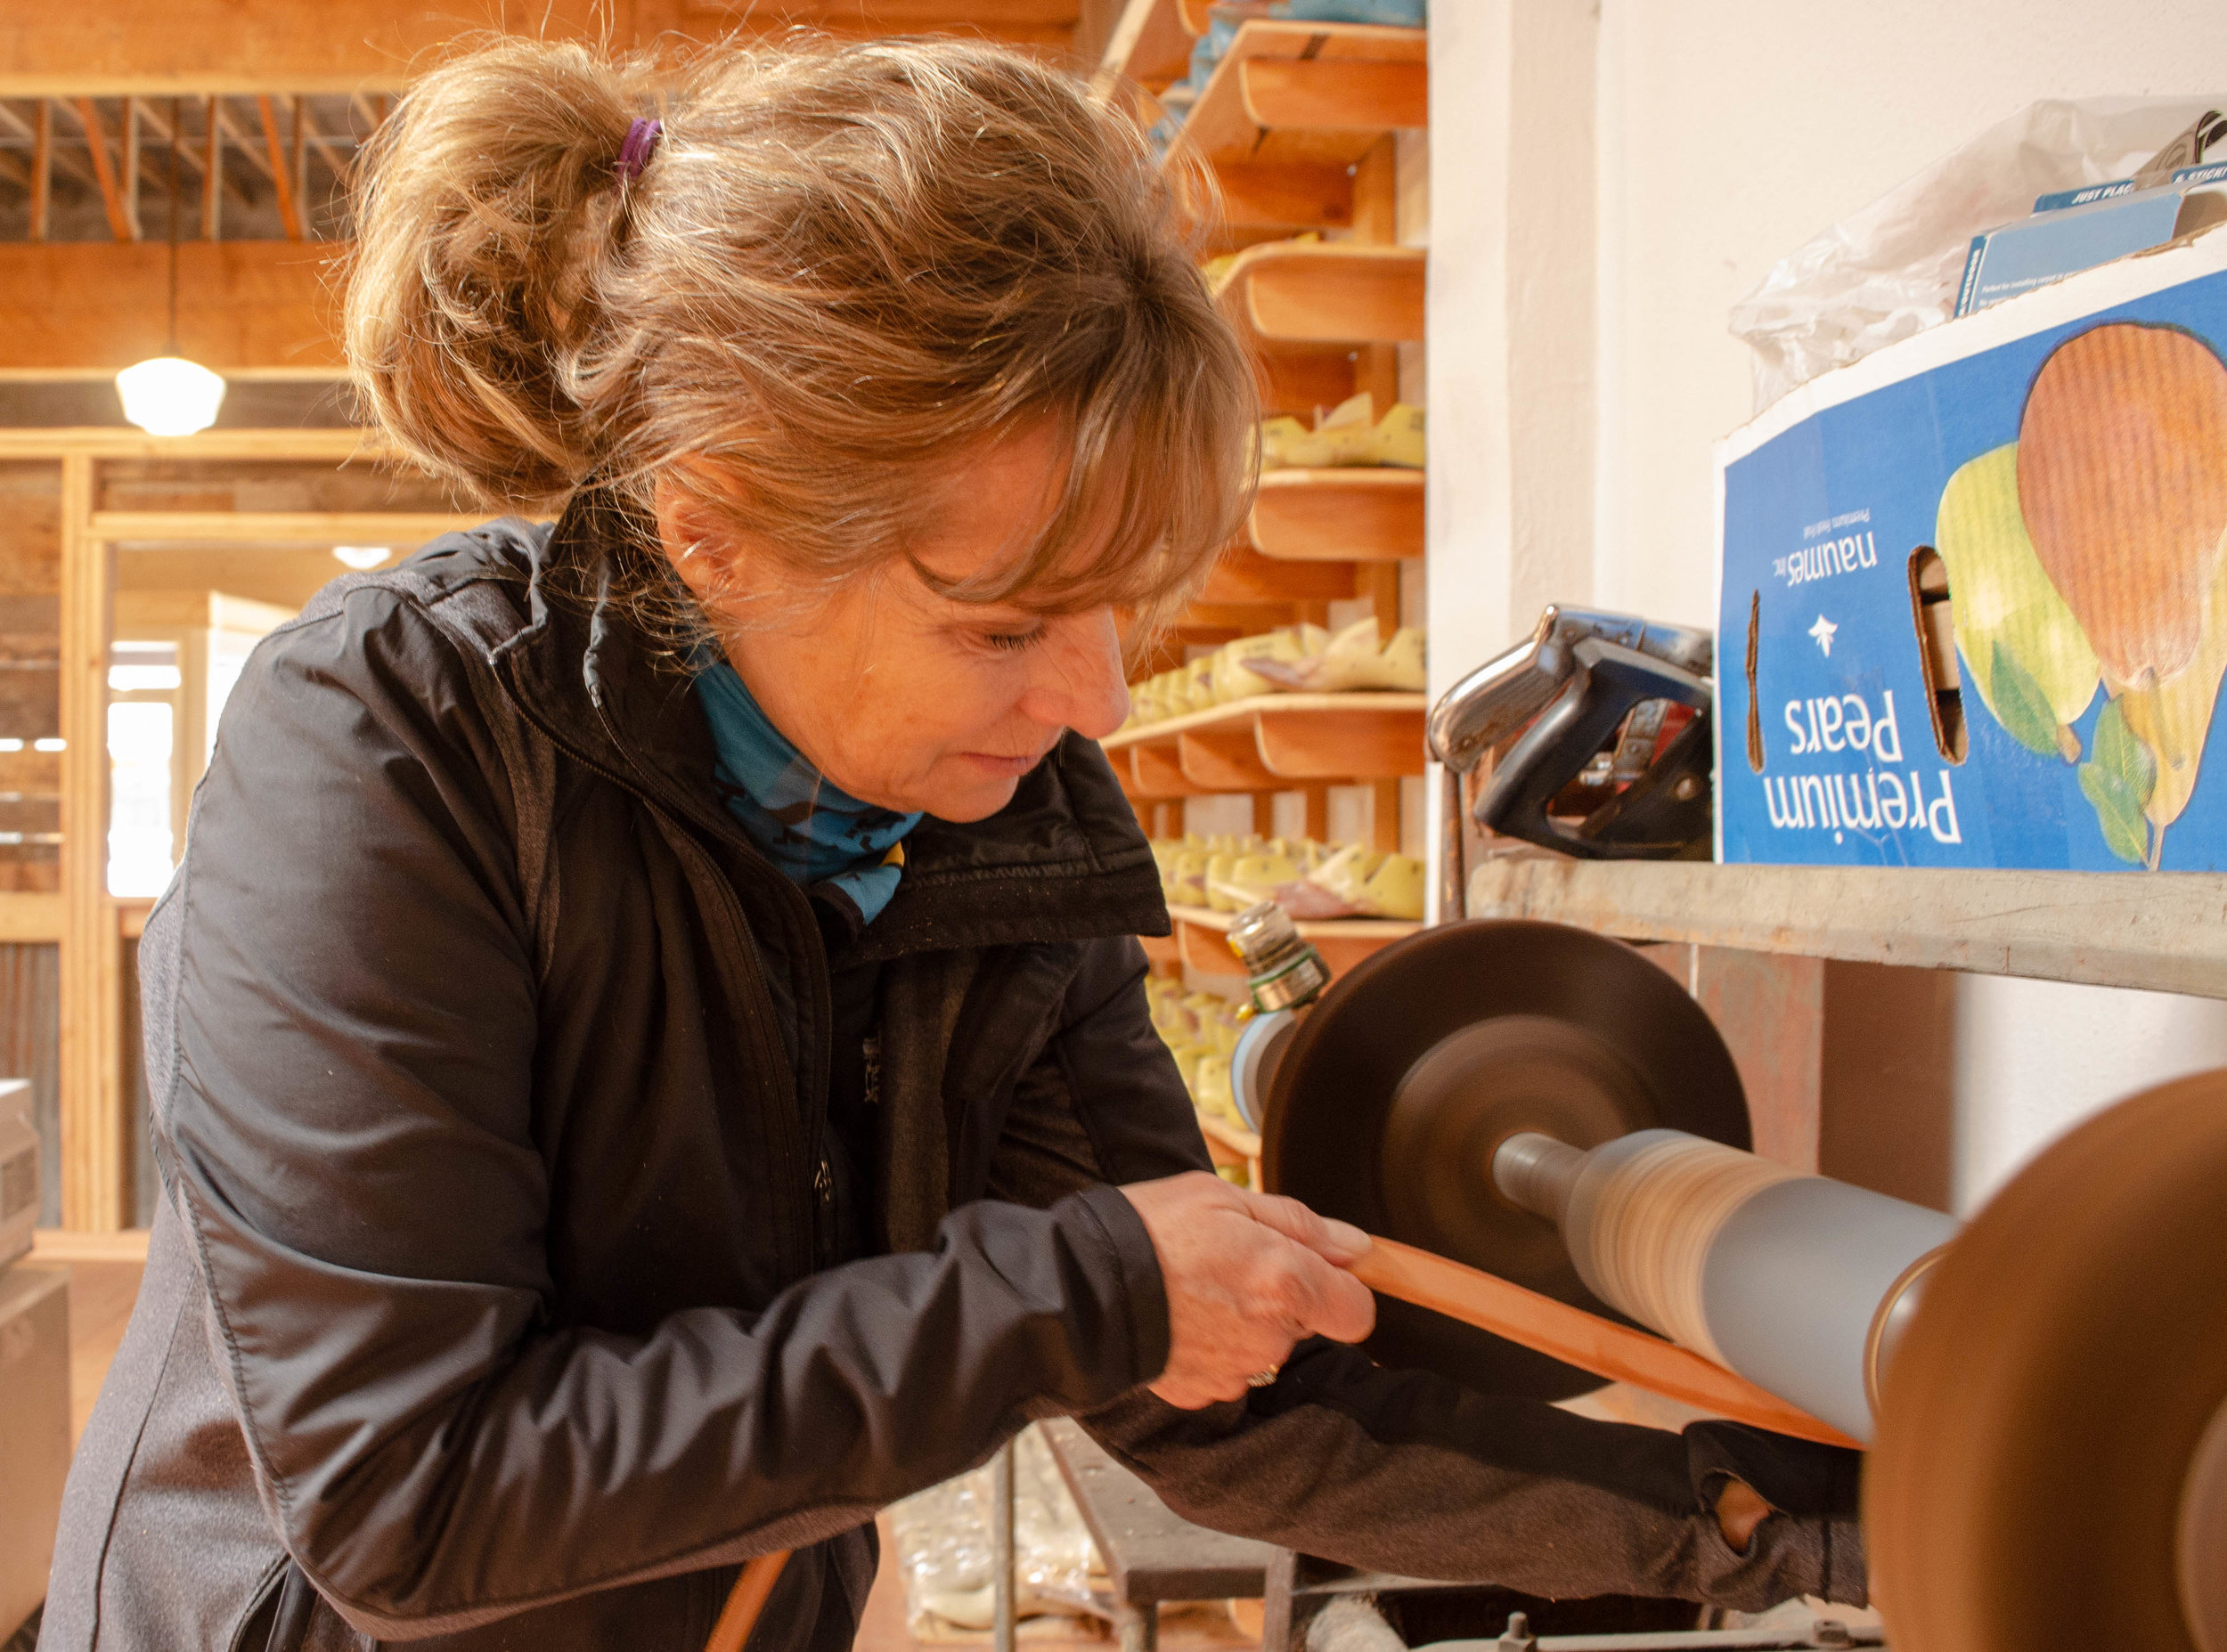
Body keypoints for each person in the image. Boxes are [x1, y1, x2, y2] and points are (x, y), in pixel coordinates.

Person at [42, 34, 1864, 1652]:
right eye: (1004, 623)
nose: (1094, 702)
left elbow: (1211, 1406)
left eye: (1124, 613)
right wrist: (1068, 1294)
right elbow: (414, 1508)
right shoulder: (392, 747)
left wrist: (1780, 1523)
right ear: (715, 531)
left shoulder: (998, 818)